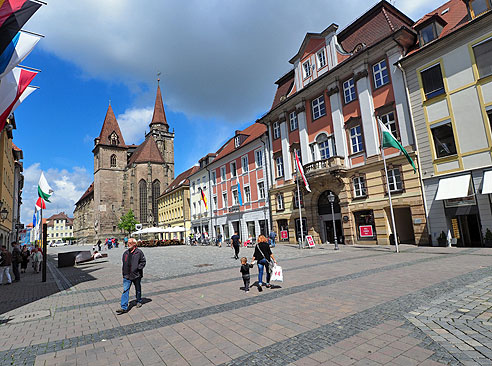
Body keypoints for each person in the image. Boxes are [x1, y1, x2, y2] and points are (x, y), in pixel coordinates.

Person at [116, 238, 146, 314]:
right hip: (127, 275)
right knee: (125, 290)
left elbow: (143, 262)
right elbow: (124, 263)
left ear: (134, 244)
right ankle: (123, 307)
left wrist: (137, 269)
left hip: (136, 275)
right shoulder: (126, 253)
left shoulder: (139, 252)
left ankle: (138, 301)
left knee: (138, 289)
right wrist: (124, 273)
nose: (127, 244)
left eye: (129, 243)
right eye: (127, 243)